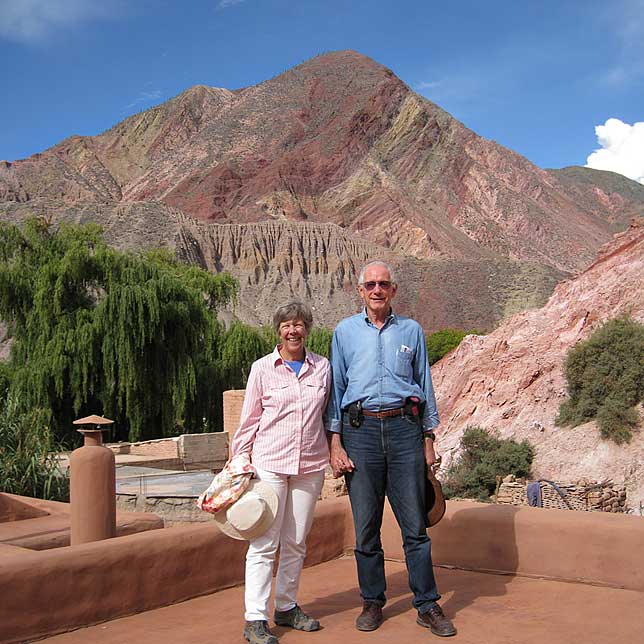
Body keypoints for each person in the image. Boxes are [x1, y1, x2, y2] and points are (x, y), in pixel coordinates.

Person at [325, 260, 456, 637]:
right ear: (360, 291)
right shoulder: (344, 332)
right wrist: (335, 442)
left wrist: (428, 438)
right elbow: (336, 388)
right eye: (370, 285)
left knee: (414, 526)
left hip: (404, 431)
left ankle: (427, 604)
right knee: (366, 526)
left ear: (393, 290)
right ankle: (372, 601)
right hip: (360, 432)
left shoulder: (411, 330)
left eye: (383, 284)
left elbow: (424, 383)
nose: (377, 290)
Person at [230, 300, 331, 644]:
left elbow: (326, 415)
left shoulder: (322, 367)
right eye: (287, 325)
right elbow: (249, 420)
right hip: (270, 465)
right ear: (278, 330)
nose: (293, 331)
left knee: (296, 541)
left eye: (299, 324)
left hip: (310, 465)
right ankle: (255, 618)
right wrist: (240, 460)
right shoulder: (262, 368)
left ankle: (286, 606)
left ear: (307, 329)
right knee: (264, 542)